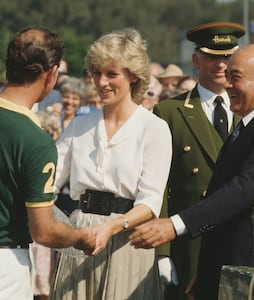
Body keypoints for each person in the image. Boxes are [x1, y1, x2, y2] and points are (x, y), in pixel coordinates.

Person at [130, 43, 254, 300]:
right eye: (228, 76)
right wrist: (207, 270)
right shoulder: (248, 126)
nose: (227, 85)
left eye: (236, 78)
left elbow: (243, 189)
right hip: (227, 269)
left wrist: (175, 225)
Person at [48, 27, 172, 300]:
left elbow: (150, 202)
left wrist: (111, 228)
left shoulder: (154, 128)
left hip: (128, 243)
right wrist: (62, 229)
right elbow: (48, 183)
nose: (101, 82)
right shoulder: (80, 125)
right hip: (79, 239)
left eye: (112, 74)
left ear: (134, 77)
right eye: (96, 72)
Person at [151, 22, 245, 300]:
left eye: (227, 56)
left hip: (237, 241)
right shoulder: (170, 112)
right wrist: (162, 252)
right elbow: (159, 185)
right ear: (196, 59)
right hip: (190, 243)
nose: (220, 64)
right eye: (212, 56)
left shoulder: (249, 111)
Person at [0, 27, 96, 300]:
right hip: (6, 262)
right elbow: (43, 230)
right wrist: (80, 238)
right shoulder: (35, 140)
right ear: (51, 73)